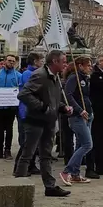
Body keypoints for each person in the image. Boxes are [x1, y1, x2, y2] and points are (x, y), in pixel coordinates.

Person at [15, 50, 73, 196]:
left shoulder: (56, 77)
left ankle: (50, 187)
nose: (65, 64)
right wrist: (42, 107)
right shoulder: (40, 75)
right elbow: (23, 94)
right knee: (28, 153)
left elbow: (52, 99)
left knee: (46, 155)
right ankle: (18, 187)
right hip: (35, 121)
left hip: (49, 121)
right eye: (63, 61)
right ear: (55, 61)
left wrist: (62, 107)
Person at [60, 56, 94, 185]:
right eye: (88, 65)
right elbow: (68, 96)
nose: (90, 67)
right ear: (80, 66)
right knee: (87, 144)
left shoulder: (85, 78)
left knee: (81, 144)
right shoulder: (74, 78)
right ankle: (67, 171)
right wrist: (80, 110)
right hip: (77, 116)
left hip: (88, 114)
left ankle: (75, 173)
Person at [0, 54, 22, 160]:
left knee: (9, 128)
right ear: (4, 61)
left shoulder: (18, 75)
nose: (11, 62)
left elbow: (21, 90)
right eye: (9, 60)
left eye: (13, 61)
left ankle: (7, 150)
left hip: (11, 107)